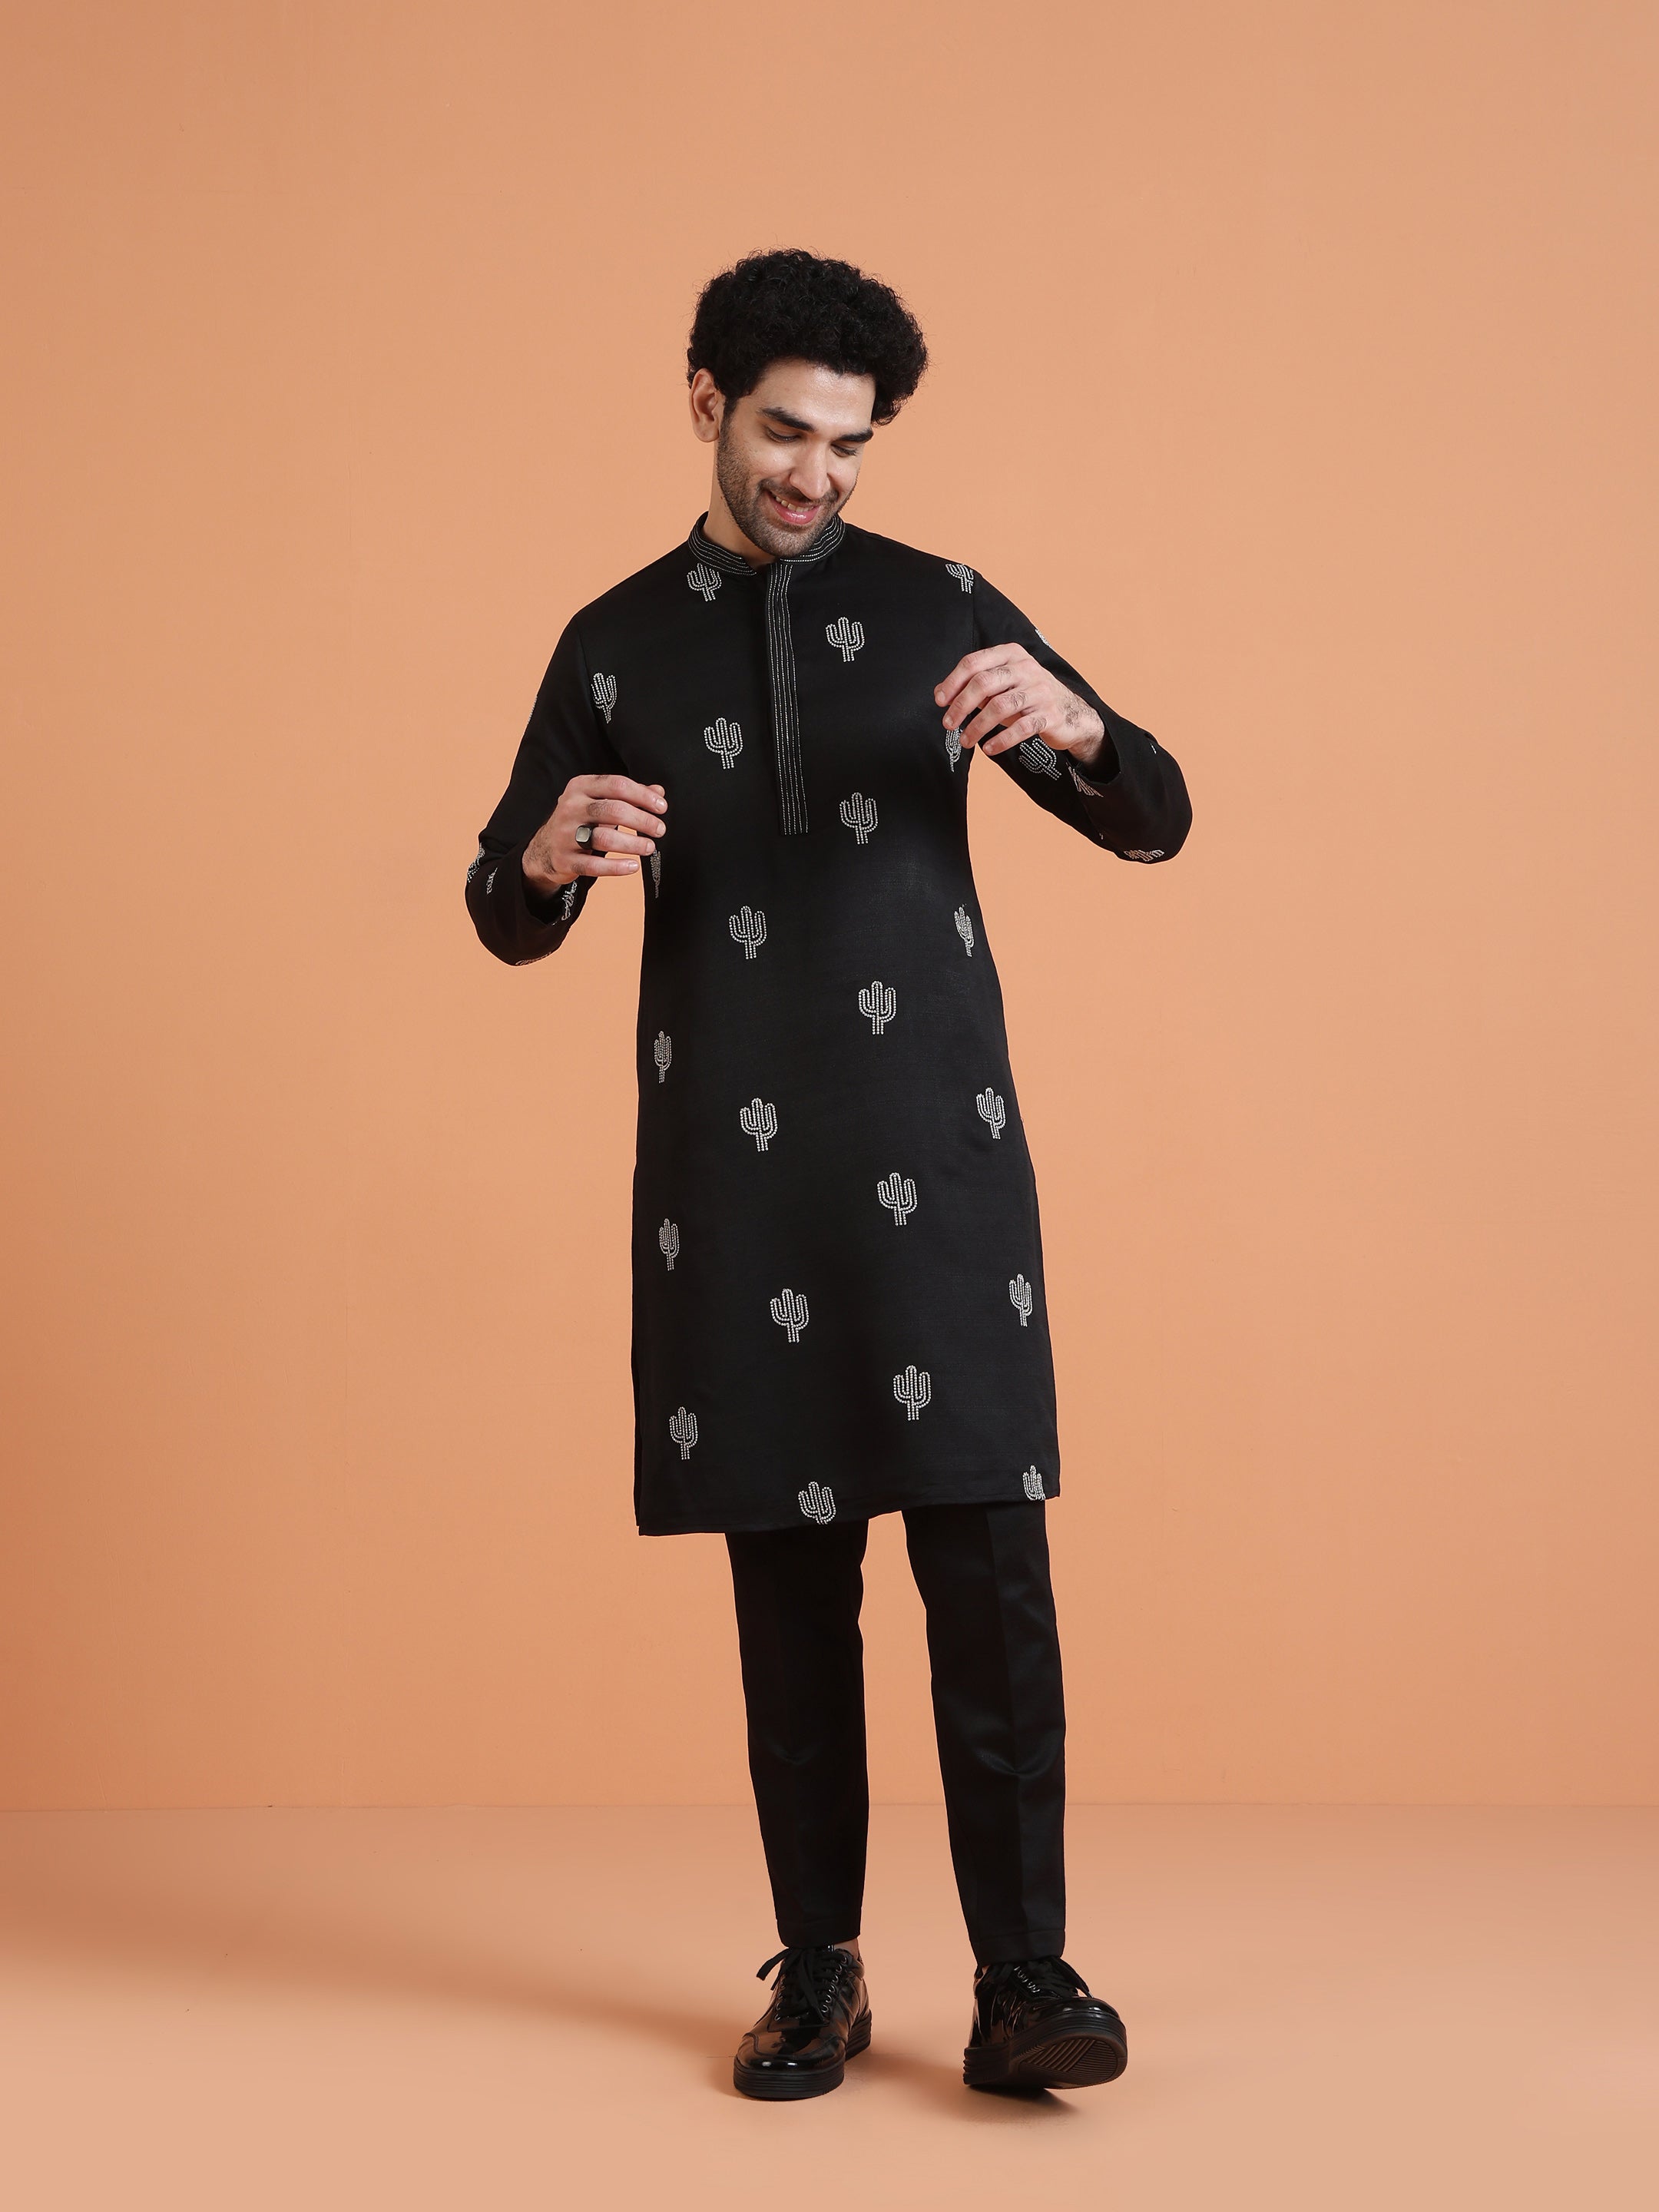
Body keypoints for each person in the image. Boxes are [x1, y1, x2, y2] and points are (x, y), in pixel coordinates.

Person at [465, 248, 1192, 2100]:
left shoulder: (943, 602)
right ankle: (819, 1972)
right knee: (788, 1582)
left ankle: (1025, 1979)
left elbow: (1155, 815)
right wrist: (545, 854)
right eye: (786, 433)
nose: (817, 475)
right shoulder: (615, 643)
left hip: (942, 1159)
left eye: (851, 446)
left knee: (987, 1566)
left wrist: (1082, 730)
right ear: (706, 405)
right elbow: (502, 903)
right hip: (738, 1170)